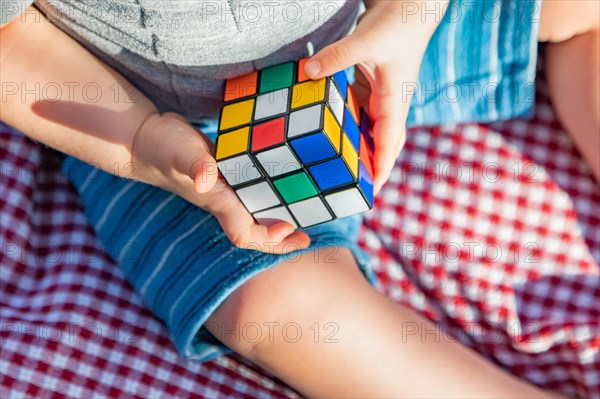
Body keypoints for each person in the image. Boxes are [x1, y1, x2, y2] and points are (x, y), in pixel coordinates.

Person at [2, 0, 596, 397]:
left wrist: (412, 15)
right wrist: (138, 139)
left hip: (375, 35)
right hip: (159, 132)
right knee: (272, 307)